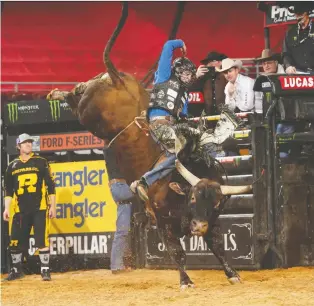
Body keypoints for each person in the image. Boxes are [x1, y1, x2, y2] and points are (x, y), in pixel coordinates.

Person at [131, 39, 196, 201]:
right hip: (160, 123)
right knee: (180, 150)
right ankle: (145, 181)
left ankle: (177, 186)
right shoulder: (164, 75)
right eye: (185, 74)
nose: (188, 77)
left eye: (190, 74)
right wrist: (181, 43)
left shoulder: (184, 93)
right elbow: (167, 46)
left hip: (172, 127)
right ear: (178, 72)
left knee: (184, 153)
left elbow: (185, 118)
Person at [3, 133, 56, 281]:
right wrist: (6, 208)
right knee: (15, 241)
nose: (28, 145)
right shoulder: (11, 166)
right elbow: (8, 191)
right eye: (25, 143)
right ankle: (16, 270)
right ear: (18, 146)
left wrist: (53, 206)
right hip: (20, 210)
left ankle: (45, 271)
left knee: (42, 240)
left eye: (30, 142)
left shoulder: (41, 161)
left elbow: (51, 186)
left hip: (39, 208)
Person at [282, 2, 314, 74]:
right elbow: (286, 54)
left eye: (301, 13)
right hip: (298, 74)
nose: (298, 16)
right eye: (296, 14)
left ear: (307, 13)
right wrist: (288, 66)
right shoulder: (289, 33)